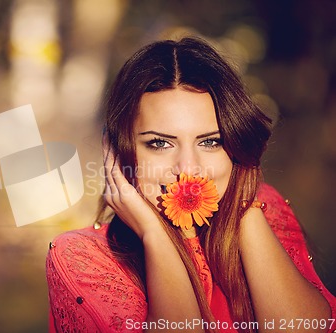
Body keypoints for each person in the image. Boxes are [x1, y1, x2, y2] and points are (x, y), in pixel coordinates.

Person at [46, 37, 336, 333]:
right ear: (118, 153)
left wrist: (242, 209)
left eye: (211, 142)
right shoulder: (82, 257)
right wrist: (156, 238)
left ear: (235, 146)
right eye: (159, 143)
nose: (188, 169)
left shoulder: (264, 208)